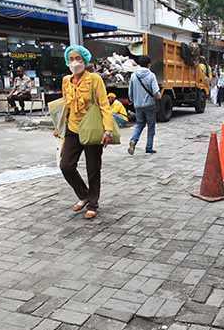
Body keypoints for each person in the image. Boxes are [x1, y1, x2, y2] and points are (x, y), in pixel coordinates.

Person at [58, 45, 114, 219]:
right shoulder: (66, 80)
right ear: (67, 61)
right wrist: (58, 127)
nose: (75, 63)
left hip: (92, 128)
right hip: (72, 128)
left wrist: (108, 130)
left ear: (85, 60)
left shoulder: (95, 79)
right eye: (72, 59)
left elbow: (104, 105)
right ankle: (84, 195)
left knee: (93, 168)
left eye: (78, 59)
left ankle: (93, 204)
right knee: (66, 165)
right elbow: (65, 105)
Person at [127, 55, 161, 155]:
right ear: (149, 64)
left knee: (139, 124)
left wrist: (134, 101)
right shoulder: (151, 75)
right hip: (150, 105)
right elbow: (156, 92)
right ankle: (149, 147)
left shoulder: (134, 75)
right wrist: (159, 96)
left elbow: (130, 92)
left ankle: (133, 140)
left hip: (138, 105)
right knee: (151, 126)